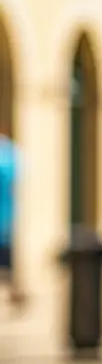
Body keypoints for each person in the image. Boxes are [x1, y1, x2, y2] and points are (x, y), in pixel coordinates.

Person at [0, 130, 24, 311]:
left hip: (5, 219)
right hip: (7, 219)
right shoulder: (11, 153)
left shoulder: (6, 153)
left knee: (7, 261)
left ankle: (15, 292)